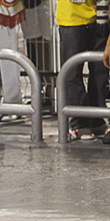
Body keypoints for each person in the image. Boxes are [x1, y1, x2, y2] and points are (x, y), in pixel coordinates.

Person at [58, 0, 108, 141]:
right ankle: (78, 121)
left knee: (100, 71)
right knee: (72, 72)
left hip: (99, 15)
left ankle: (97, 118)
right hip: (71, 19)